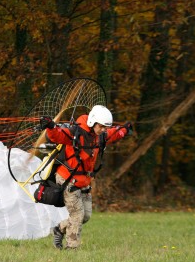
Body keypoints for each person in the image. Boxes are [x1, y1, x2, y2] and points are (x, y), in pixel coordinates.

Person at [39, 105, 132, 249]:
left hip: (84, 182)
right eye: (101, 126)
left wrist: (125, 129)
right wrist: (50, 126)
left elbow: (113, 134)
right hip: (68, 179)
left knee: (85, 216)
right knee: (77, 215)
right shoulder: (75, 133)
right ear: (93, 122)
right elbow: (57, 134)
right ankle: (72, 249)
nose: (103, 130)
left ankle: (59, 229)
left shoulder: (99, 136)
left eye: (105, 127)